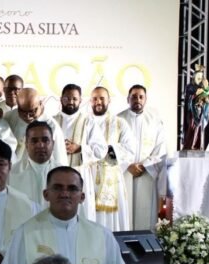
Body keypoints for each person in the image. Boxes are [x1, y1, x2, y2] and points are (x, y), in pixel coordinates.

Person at [0, 166, 127, 264]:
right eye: (58, 188)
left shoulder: (102, 236)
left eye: (72, 189)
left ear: (82, 196)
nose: (65, 193)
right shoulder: (26, 233)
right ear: (46, 194)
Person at [117, 85, 167, 231]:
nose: (137, 100)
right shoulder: (118, 119)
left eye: (140, 97)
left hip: (147, 174)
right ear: (128, 99)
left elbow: (160, 148)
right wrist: (127, 165)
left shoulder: (155, 121)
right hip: (125, 174)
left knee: (145, 216)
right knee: (124, 214)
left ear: (145, 99)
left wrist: (145, 165)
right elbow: (113, 146)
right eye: (133, 96)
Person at [85, 86, 135, 231]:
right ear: (90, 101)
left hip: (110, 176)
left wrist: (107, 151)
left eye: (102, 98)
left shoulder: (119, 123)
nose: (98, 102)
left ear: (109, 100)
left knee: (110, 222)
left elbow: (129, 149)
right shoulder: (84, 122)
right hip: (88, 174)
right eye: (94, 99)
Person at [2, 87, 68, 166]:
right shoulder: (9, 117)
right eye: (23, 111)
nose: (28, 116)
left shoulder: (52, 126)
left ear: (40, 103)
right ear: (18, 105)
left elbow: (60, 161)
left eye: (32, 111)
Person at [8, 121, 66, 207]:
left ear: (53, 144)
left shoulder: (64, 174)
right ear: (26, 145)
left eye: (45, 140)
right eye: (34, 141)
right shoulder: (12, 174)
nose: (40, 145)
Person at [53, 83, 90, 168]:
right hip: (55, 170)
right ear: (61, 99)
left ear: (80, 100)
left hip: (79, 172)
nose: (70, 102)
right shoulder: (52, 121)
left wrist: (79, 148)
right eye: (67, 98)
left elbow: (101, 149)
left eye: (75, 99)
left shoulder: (88, 122)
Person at [182, 64, 209, 150]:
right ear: (194, 77)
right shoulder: (190, 87)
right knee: (192, 127)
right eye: (198, 76)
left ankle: (197, 145)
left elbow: (207, 94)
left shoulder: (203, 87)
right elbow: (194, 93)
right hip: (192, 113)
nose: (199, 78)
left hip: (200, 113)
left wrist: (206, 95)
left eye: (201, 76)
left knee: (199, 129)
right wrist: (204, 91)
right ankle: (189, 145)